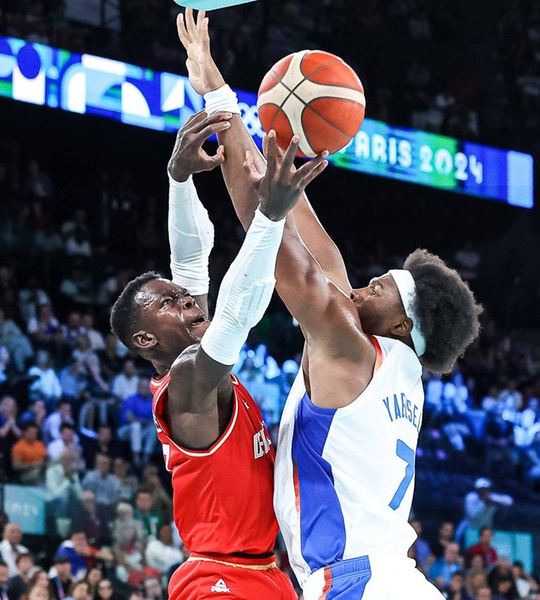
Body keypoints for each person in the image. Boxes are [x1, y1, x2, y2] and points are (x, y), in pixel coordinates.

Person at [177, 10, 482, 598]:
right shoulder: (387, 361)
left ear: (400, 322)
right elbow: (299, 225)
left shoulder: (349, 344)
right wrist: (280, 145)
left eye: (383, 287)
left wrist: (217, 92)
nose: (367, 285)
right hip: (389, 580)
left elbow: (265, 224)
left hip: (360, 585)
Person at [108, 105, 319, 597]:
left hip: (262, 572)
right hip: (217, 580)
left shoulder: (190, 356)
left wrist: (179, 179)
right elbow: (236, 314)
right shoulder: (186, 382)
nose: (184, 297)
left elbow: (189, 258)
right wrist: (269, 216)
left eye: (181, 294)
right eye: (168, 301)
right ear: (146, 340)